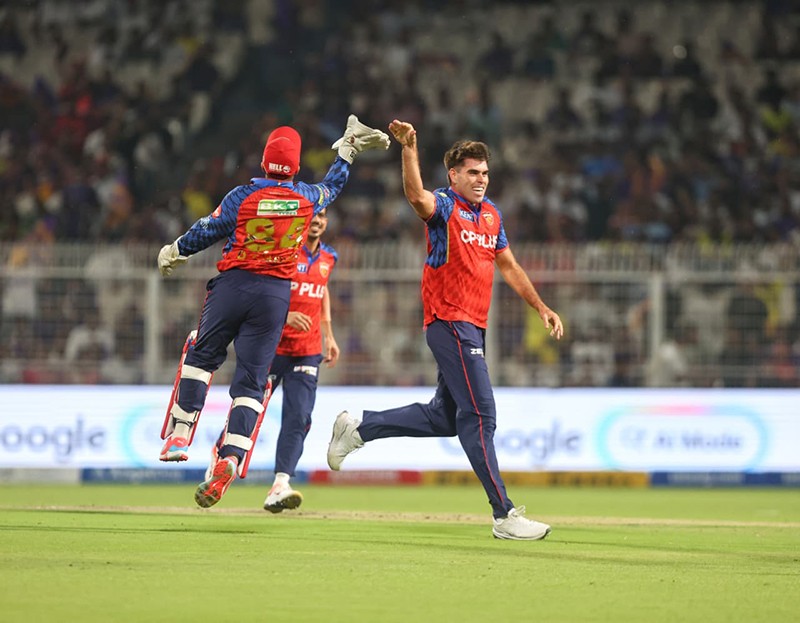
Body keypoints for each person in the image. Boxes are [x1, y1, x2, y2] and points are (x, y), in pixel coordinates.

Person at [327, 120, 564, 540]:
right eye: (472, 172)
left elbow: (509, 266)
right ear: (453, 175)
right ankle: (504, 515)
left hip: (472, 327)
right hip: (449, 322)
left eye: (485, 172)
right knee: (481, 415)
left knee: (445, 417)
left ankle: (359, 428)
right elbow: (415, 196)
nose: (481, 179)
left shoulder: (491, 215)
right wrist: (409, 148)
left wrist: (540, 306)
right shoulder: (444, 206)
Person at [157, 115, 389, 508]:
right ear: (296, 166)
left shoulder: (242, 196)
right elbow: (332, 188)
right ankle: (232, 456)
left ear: (265, 161)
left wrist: (176, 250)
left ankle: (181, 433)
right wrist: (347, 152)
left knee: (201, 355)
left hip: (234, 285)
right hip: (274, 297)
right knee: (252, 382)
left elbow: (208, 229)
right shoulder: (306, 198)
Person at [206, 206, 340, 513]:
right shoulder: (282, 253)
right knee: (251, 410)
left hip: (307, 351)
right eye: (313, 216)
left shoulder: (329, 256)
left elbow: (322, 291)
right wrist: (285, 315)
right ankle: (222, 459)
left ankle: (280, 485)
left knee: (299, 417)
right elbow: (261, 291)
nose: (317, 221)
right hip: (271, 347)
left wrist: (329, 334)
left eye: (322, 216)